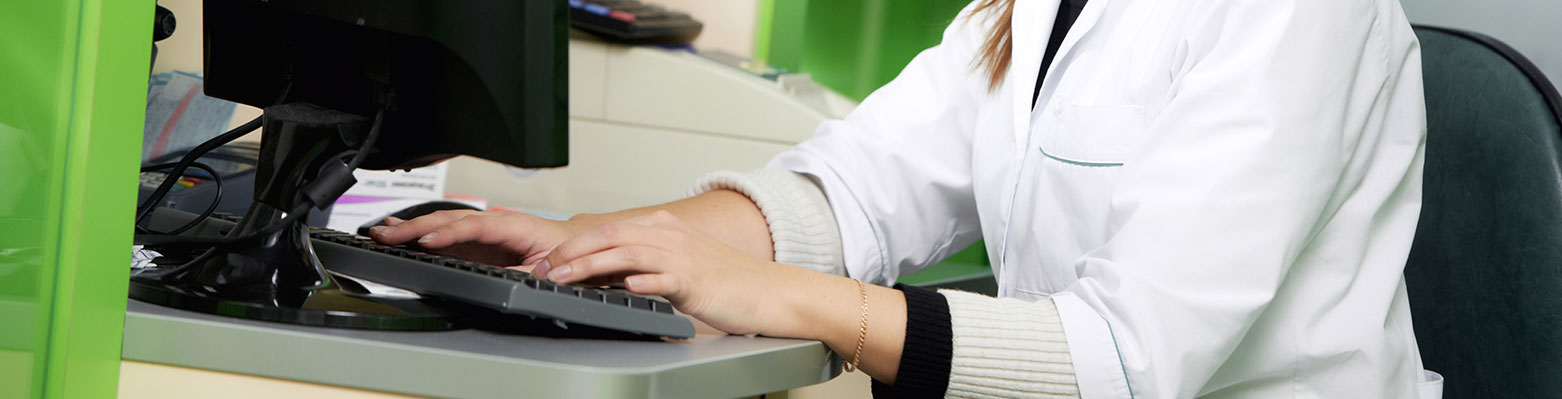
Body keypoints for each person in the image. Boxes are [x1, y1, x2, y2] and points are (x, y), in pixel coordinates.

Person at [371, 0, 1442, 397]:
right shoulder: (1028, 9)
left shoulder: (1299, 14)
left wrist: (775, 295)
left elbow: (1128, 360)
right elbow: (853, 192)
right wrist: (591, 246)